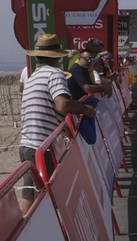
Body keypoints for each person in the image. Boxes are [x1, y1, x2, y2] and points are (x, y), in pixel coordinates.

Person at [19, 33, 96, 201]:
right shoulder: (54, 74)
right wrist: (85, 109)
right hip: (42, 146)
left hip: (27, 144)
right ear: (57, 56)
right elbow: (62, 105)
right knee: (42, 199)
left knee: (30, 196)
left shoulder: (33, 77)